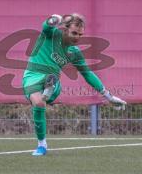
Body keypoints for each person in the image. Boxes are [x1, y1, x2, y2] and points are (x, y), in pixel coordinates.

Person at [22, 13, 126, 156]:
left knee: (51, 79)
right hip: (31, 77)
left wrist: (109, 96)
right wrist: (54, 19)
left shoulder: (74, 52)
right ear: (64, 29)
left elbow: (88, 74)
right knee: (39, 104)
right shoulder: (51, 35)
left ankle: (50, 86)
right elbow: (45, 27)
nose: (77, 37)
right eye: (74, 33)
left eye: (80, 34)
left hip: (52, 83)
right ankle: (42, 145)